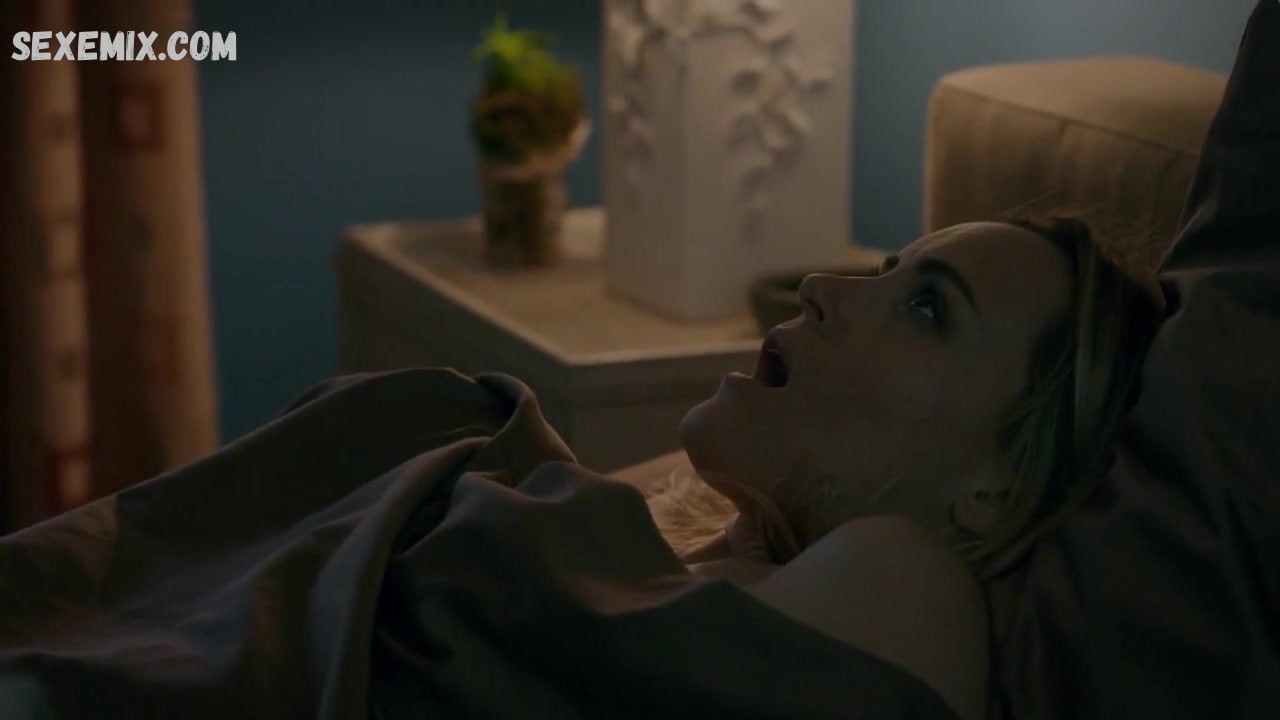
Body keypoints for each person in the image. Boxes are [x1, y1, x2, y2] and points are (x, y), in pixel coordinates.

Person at [643, 214, 1164, 719]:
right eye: (882, 274)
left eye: (927, 307)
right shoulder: (701, 547)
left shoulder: (909, 588)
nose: (817, 286)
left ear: (997, 492)